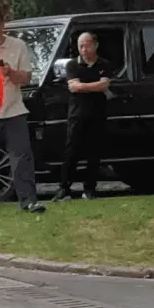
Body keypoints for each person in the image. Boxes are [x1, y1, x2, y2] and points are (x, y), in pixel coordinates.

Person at [0, 10, 45, 214]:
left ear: (2, 25)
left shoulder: (18, 46)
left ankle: (28, 201)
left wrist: (10, 72)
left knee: (21, 157)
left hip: (14, 111)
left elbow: (27, 78)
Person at [53, 32, 115, 202]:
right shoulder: (72, 65)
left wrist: (84, 86)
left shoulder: (105, 64)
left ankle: (90, 188)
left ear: (95, 45)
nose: (84, 49)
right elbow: (74, 87)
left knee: (94, 153)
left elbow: (104, 84)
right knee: (71, 151)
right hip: (77, 114)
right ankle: (64, 188)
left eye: (87, 45)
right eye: (81, 46)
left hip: (97, 113)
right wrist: (94, 86)